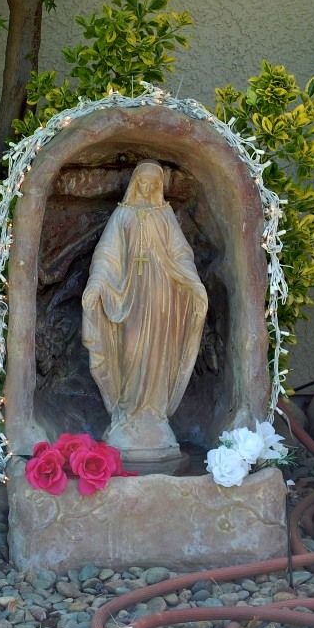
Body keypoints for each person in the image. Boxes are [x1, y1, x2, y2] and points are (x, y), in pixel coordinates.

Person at [82, 160, 208, 465]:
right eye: (143, 182)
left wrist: (193, 282)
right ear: (135, 183)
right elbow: (107, 255)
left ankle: (154, 414)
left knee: (158, 353)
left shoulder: (165, 215)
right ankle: (127, 412)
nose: (148, 188)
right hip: (129, 296)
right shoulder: (123, 214)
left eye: (154, 184)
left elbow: (181, 253)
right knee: (130, 349)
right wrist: (96, 284)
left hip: (162, 295)